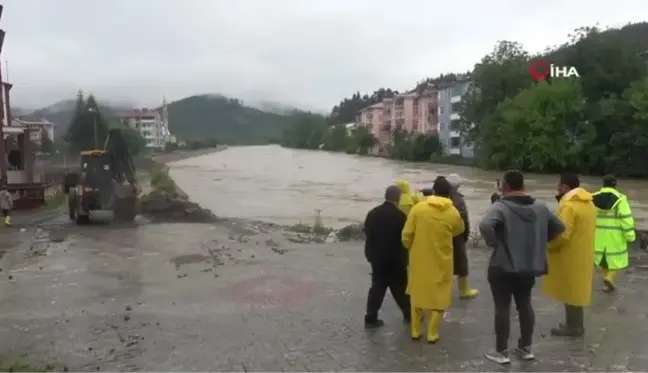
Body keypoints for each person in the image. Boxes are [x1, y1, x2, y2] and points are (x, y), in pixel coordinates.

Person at [479, 170, 565, 364]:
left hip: (502, 265)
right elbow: (560, 227)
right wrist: (542, 240)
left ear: (506, 187)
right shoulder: (541, 208)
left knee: (502, 307)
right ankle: (525, 348)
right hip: (528, 265)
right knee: (525, 304)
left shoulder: (501, 207)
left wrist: (494, 243)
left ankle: (501, 352)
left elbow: (485, 225)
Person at [402, 176, 464, 343]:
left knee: (417, 292)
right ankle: (432, 333)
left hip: (419, 258)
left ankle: (415, 331)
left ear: (434, 190)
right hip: (442, 259)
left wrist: (410, 247)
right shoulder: (453, 212)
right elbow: (459, 231)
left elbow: (406, 235)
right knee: (439, 295)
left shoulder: (418, 209)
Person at [544, 173, 596, 337]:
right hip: (583, 252)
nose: (557, 188)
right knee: (576, 290)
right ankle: (573, 323)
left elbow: (562, 234)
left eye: (558, 185)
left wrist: (548, 246)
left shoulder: (568, 206)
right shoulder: (588, 203)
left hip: (569, 255)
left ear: (565, 187)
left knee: (570, 291)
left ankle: (574, 327)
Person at [363, 185, 411, 329]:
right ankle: (409, 316)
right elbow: (406, 238)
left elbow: (367, 233)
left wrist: (370, 254)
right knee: (401, 288)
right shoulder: (401, 216)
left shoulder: (372, 213)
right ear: (398, 198)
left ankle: (370, 318)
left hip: (377, 258)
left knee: (377, 288)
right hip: (396, 260)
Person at [593, 174, 635, 292]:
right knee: (617, 260)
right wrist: (630, 235)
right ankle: (609, 278)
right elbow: (626, 219)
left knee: (603, 260)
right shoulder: (621, 200)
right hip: (615, 237)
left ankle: (607, 282)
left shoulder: (593, 198)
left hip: (598, 236)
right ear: (615, 184)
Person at [446, 173, 479, 299]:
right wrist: (466, 235)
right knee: (461, 264)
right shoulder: (458, 200)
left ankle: (442, 291)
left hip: (440, 235)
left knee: (443, 263)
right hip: (457, 235)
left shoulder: (435, 196)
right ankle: (464, 290)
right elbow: (464, 221)